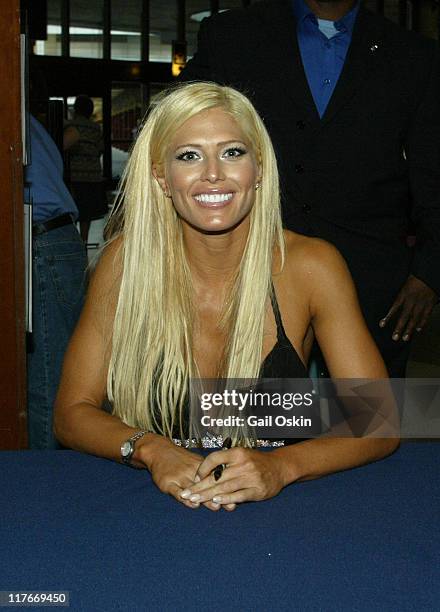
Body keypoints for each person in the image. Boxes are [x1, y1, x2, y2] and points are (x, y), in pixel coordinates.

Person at [54, 82, 398, 511]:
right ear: (162, 176)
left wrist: (281, 467)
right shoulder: (125, 262)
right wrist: (150, 449)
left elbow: (380, 420)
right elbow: (71, 412)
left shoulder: (311, 265)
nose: (213, 173)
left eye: (233, 152)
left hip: (280, 511)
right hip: (151, 507)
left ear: (260, 169)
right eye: (189, 155)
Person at [180, 0, 440, 378]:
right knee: (255, 422)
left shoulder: (414, 55)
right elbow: (173, 124)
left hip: (375, 284)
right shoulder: (233, 35)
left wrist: (431, 273)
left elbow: (432, 172)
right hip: (251, 270)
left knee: (367, 420)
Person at [26, 112, 88, 449]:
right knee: (63, 371)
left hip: (40, 241)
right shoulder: (24, 117)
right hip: (58, 237)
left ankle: (49, 478)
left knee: (48, 382)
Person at [64, 95, 107, 244]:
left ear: (76, 109)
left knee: (73, 209)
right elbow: (101, 148)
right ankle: (83, 240)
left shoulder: (69, 126)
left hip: (73, 175)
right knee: (87, 213)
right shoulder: (95, 127)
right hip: (92, 175)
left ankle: (72, 241)